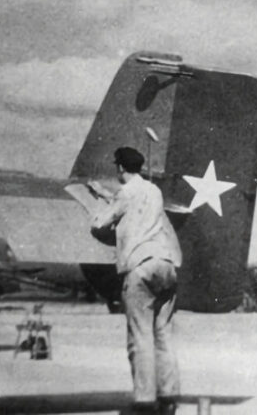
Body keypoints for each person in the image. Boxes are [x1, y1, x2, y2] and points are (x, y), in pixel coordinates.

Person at [89, 146, 182, 414]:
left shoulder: (125, 193)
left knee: (140, 337)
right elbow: (135, 205)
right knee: (163, 335)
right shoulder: (153, 191)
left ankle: (144, 401)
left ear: (119, 168)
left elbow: (100, 224)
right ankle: (169, 398)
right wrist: (109, 196)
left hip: (140, 267)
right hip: (166, 265)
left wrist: (99, 208)